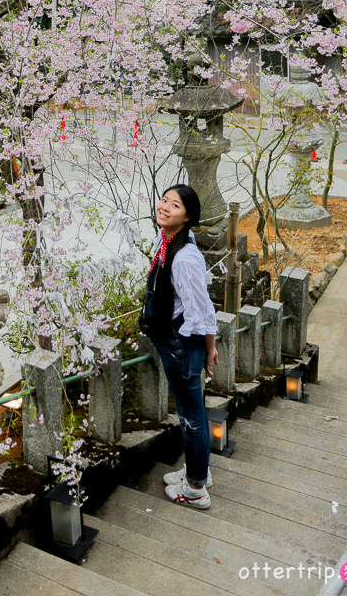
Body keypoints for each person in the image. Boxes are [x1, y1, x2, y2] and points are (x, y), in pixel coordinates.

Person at [139, 184, 218, 509]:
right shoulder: (168, 239)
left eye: (176, 205)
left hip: (181, 345)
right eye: (165, 200)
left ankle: (197, 488)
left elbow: (203, 312)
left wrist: (209, 350)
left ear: (188, 217)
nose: (166, 207)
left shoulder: (184, 257)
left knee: (191, 418)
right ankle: (198, 471)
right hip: (176, 341)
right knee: (192, 412)